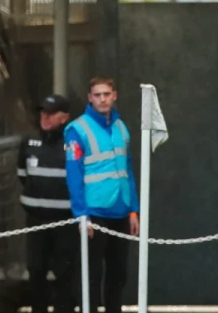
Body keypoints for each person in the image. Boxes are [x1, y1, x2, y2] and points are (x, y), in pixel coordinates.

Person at [65, 77, 139, 313]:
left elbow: (127, 170)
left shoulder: (121, 127)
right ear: (90, 98)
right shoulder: (77, 129)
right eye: (97, 95)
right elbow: (73, 174)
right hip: (94, 210)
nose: (102, 99)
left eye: (106, 94)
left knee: (118, 273)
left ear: (114, 95)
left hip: (121, 208)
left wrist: (133, 209)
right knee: (91, 273)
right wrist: (81, 214)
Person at [20, 94, 76, 313]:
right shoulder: (29, 141)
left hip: (66, 221)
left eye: (51, 113)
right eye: (43, 112)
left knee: (65, 274)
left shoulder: (73, 142)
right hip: (36, 221)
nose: (45, 117)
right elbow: (22, 175)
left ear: (64, 117)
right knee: (36, 271)